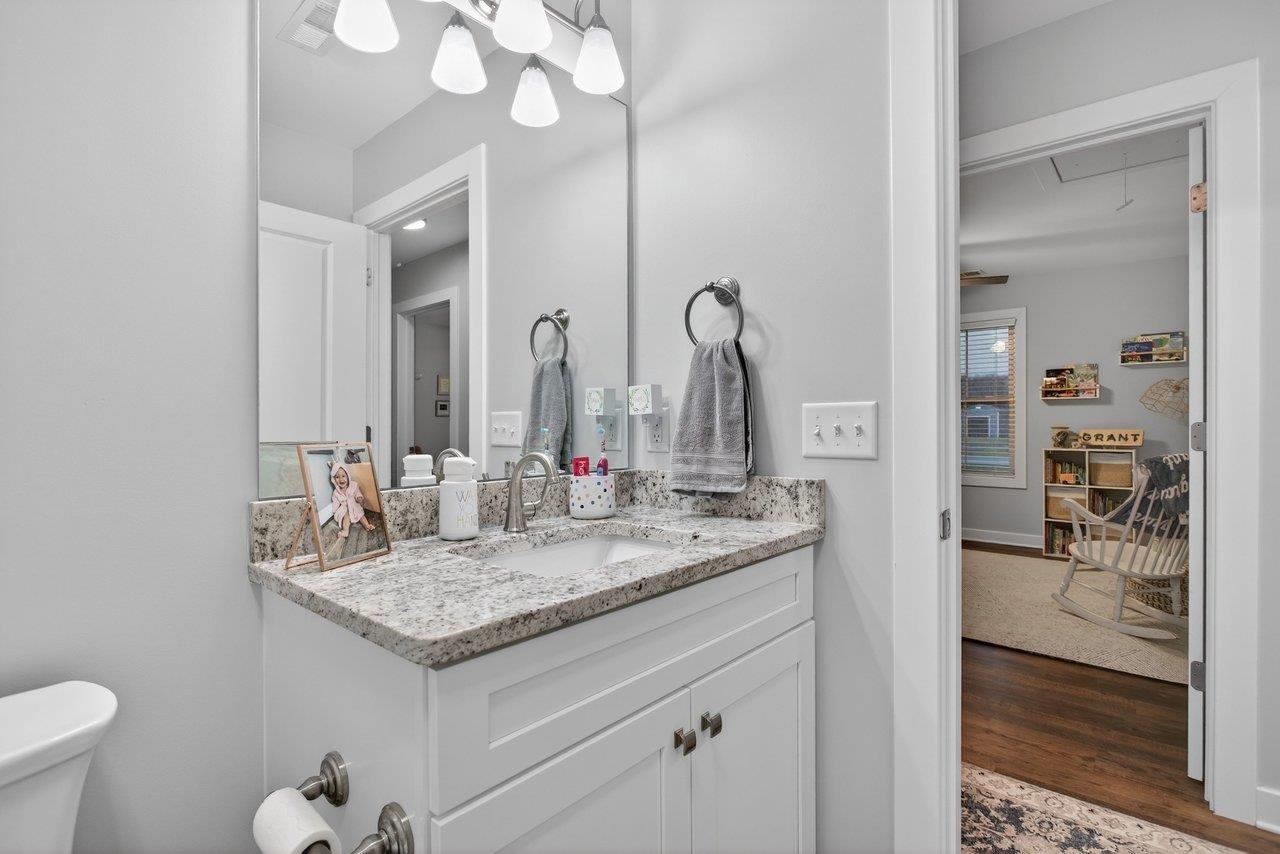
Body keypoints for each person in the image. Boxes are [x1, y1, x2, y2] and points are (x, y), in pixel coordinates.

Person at [329, 462, 376, 538]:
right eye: (337, 477)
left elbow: (357, 493)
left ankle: (367, 525)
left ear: (348, 476)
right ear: (334, 479)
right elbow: (335, 502)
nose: (341, 479)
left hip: (354, 505)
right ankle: (345, 531)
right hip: (345, 508)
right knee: (346, 515)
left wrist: (359, 497)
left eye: (343, 476)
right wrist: (334, 511)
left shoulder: (353, 486)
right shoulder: (336, 492)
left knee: (361, 514)